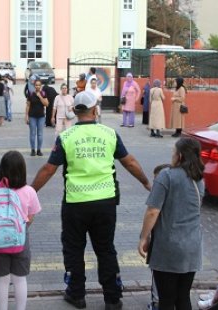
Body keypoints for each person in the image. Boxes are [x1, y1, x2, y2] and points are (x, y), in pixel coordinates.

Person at [31, 91, 152, 310]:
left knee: (74, 249)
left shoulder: (66, 137)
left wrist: (29, 192)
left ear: (75, 111)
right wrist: (145, 182)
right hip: (105, 202)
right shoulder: (109, 133)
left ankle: (76, 294)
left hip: (75, 203)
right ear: (95, 109)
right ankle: (112, 299)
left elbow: (49, 169)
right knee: (105, 249)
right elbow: (130, 162)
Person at [138, 137, 205, 310]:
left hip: (169, 247)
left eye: (174, 152)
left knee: (166, 299)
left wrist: (143, 237)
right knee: (183, 297)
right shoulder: (198, 179)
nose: (172, 155)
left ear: (181, 155)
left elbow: (153, 211)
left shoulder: (166, 176)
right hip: (192, 246)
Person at [0, 150, 42, 310]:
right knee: (20, 279)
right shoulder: (29, 191)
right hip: (20, 239)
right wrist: (19, 229)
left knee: (2, 279)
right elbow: (31, 217)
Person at [146, 163, 172, 310]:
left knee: (157, 272)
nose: (156, 184)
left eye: (157, 181)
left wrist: (144, 237)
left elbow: (151, 215)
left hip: (161, 243)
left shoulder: (159, 199)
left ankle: (156, 303)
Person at [25, 79, 48, 156]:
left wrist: (40, 96)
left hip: (41, 116)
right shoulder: (31, 94)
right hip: (32, 116)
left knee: (40, 134)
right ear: (34, 86)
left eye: (39, 85)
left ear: (41, 86)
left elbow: (46, 104)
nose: (37, 86)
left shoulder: (43, 93)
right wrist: (26, 116)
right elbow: (28, 105)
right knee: (32, 133)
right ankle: (32, 150)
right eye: (36, 85)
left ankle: (39, 150)